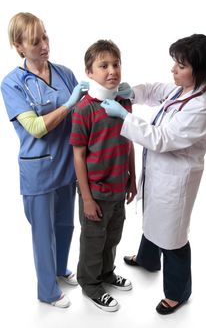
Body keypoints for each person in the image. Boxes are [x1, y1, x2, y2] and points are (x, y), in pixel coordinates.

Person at [101, 34, 206, 315]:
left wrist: (124, 116)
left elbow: (161, 138)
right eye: (175, 63)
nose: (173, 70)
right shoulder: (184, 89)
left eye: (180, 65)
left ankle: (178, 293)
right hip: (159, 173)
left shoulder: (202, 106)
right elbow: (157, 90)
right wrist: (134, 92)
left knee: (173, 237)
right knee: (153, 216)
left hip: (176, 180)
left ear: (198, 70)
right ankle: (147, 259)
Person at [1, 12, 88, 308]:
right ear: (19, 45)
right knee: (43, 232)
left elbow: (83, 113)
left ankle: (61, 270)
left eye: (45, 37)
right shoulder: (13, 84)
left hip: (68, 163)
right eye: (35, 41)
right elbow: (36, 128)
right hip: (38, 168)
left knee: (65, 225)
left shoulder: (64, 73)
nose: (44, 45)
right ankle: (47, 291)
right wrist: (68, 104)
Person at [70, 39, 137, 312]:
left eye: (116, 64)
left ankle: (106, 273)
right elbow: (78, 156)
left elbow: (130, 140)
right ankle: (90, 284)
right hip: (95, 192)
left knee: (113, 236)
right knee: (93, 239)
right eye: (104, 65)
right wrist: (86, 198)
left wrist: (132, 177)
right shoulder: (84, 109)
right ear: (89, 72)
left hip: (118, 187)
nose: (112, 71)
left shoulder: (123, 103)